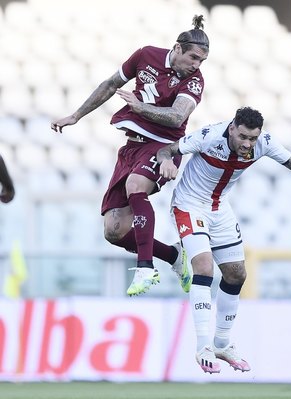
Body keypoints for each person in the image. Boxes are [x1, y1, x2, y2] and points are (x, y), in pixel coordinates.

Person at [50, 15, 210, 296]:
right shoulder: (145, 55)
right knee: (113, 231)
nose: (196, 66)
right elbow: (111, 84)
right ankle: (174, 257)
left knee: (136, 186)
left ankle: (145, 268)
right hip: (131, 148)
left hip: (163, 148)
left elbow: (176, 117)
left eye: (201, 61)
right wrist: (76, 115)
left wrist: (138, 107)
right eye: (193, 58)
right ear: (177, 48)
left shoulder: (195, 81)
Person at [156, 106, 291, 374]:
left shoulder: (264, 143)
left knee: (236, 274)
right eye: (243, 136)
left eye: (252, 139)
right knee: (204, 267)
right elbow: (167, 150)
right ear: (232, 128)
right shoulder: (209, 135)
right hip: (189, 205)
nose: (247, 144)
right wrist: (165, 161)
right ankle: (203, 347)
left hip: (219, 209)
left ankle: (221, 343)